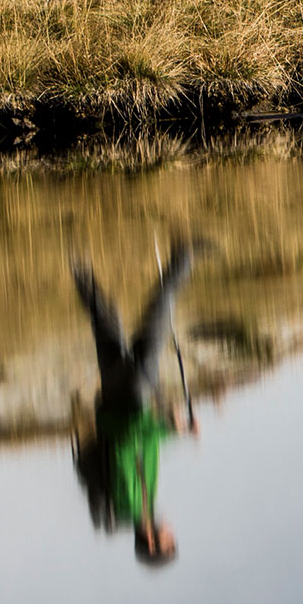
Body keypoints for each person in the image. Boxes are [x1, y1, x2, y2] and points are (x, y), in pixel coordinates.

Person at [70, 241, 199, 567]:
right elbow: (139, 451)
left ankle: (184, 257)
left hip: (131, 398)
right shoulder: (136, 505)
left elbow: (127, 445)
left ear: (153, 543)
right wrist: (173, 430)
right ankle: (73, 257)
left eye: (170, 540)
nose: (172, 530)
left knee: (156, 323)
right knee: (104, 319)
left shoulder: (135, 506)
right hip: (114, 399)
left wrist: (172, 429)